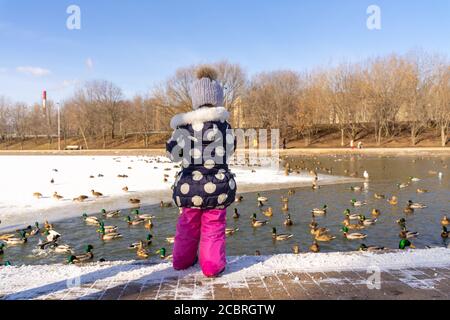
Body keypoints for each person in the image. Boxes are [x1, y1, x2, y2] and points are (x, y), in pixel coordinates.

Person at [166, 66, 237, 278]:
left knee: (187, 226)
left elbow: (173, 154)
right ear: (217, 100)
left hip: (188, 187)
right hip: (218, 186)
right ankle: (212, 267)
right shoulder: (225, 127)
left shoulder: (183, 128)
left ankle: (181, 262)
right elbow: (231, 149)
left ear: (195, 100)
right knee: (213, 227)